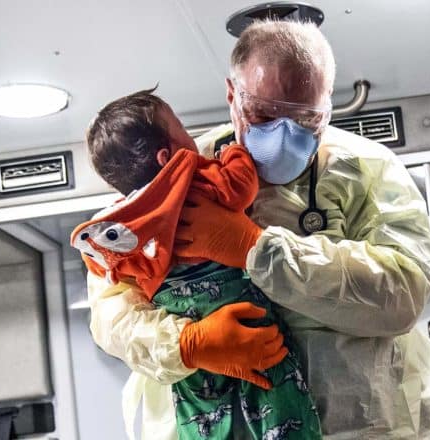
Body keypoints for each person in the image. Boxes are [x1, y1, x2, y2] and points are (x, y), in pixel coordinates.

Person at [88, 20, 430, 439]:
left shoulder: (365, 168)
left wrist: (255, 249)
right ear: (232, 96)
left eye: (305, 118)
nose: (283, 134)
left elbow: (404, 291)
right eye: (263, 114)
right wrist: (189, 343)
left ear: (327, 106)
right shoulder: (169, 182)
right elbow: (112, 312)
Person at [74, 89, 321, 439]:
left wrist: (195, 344)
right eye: (181, 128)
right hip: (238, 310)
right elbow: (238, 187)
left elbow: (108, 271)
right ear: (166, 157)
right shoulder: (197, 175)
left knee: (198, 407)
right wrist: (235, 154)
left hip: (184, 324)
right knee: (276, 389)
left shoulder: (118, 230)